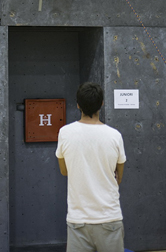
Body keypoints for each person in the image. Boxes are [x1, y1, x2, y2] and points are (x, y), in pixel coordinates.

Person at [55, 83, 126, 252]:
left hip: (78, 219)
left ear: (78, 104)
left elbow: (64, 171)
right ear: (101, 103)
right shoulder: (115, 136)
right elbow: (118, 177)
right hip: (109, 217)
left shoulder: (65, 132)